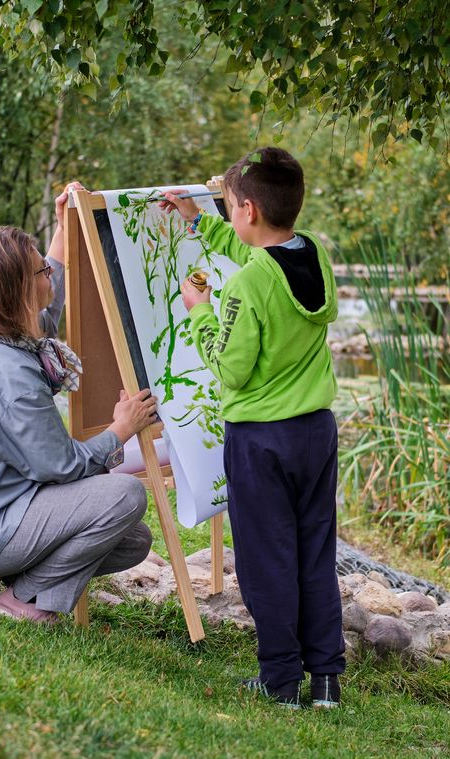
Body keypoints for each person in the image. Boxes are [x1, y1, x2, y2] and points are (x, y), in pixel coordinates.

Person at [0, 182, 159, 624]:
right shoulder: (9, 375)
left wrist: (64, 227)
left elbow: (45, 310)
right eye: (41, 270)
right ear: (16, 291)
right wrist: (120, 429)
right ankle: (22, 600)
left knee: (132, 541)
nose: (50, 270)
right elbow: (62, 468)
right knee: (124, 496)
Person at [160, 147, 345, 708]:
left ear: (246, 211)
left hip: (262, 441)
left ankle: (280, 680)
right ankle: (326, 681)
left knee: (267, 560)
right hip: (316, 432)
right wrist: (202, 223)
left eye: (227, 206)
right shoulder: (312, 254)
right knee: (314, 552)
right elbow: (264, 261)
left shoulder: (244, 288)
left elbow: (230, 367)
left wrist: (200, 309)